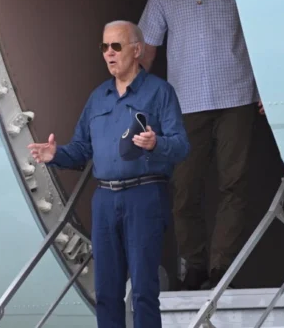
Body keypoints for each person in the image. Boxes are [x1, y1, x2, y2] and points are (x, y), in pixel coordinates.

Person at [28, 20, 190, 328]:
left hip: (145, 195)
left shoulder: (159, 92)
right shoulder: (97, 97)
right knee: (106, 291)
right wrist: (55, 155)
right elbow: (80, 149)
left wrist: (156, 143)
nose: (109, 53)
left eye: (116, 46)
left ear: (137, 49)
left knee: (143, 290)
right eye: (104, 47)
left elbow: (181, 146)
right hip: (104, 200)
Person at [138, 0, 264, 290]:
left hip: (237, 97)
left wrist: (268, 87)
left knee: (234, 185)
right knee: (185, 189)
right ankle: (194, 267)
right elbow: (146, 49)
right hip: (186, 104)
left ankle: (221, 269)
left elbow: (261, 34)